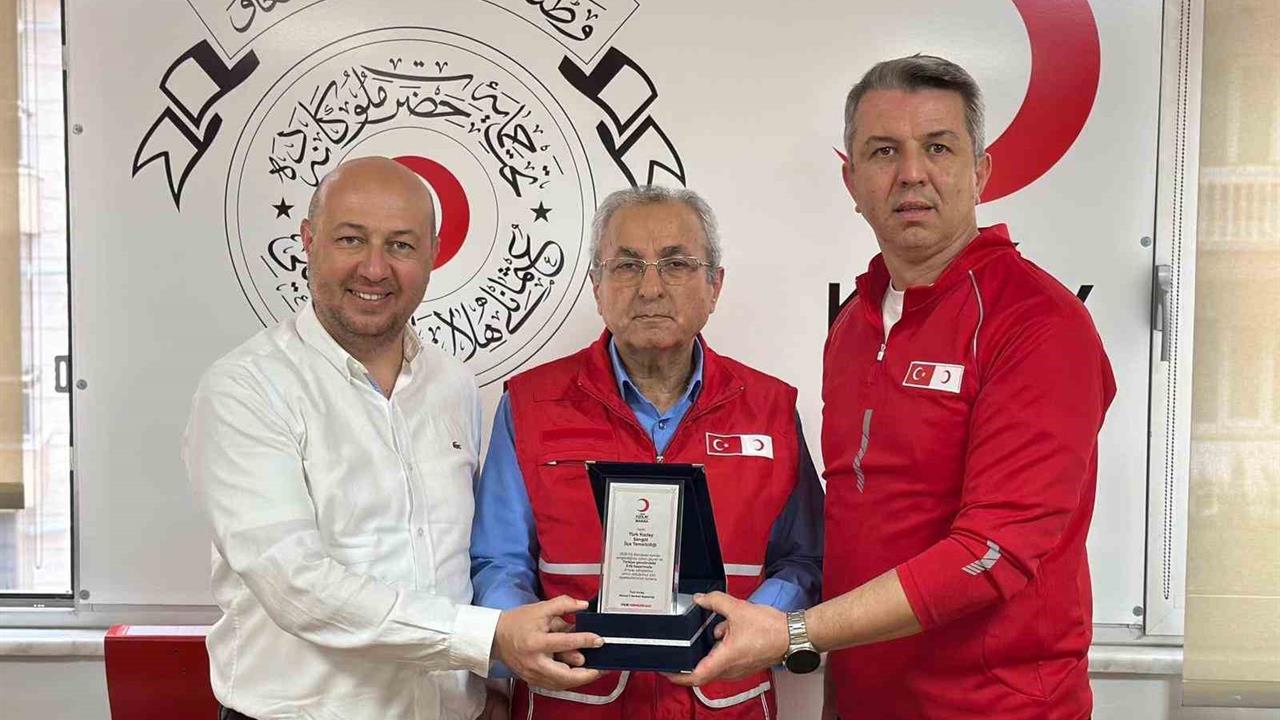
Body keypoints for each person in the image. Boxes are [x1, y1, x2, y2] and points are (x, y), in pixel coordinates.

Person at [671, 55, 1116, 719]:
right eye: (884, 151)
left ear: (980, 171)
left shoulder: (1039, 323)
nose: (911, 172)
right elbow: (856, 526)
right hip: (863, 700)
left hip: (997, 709)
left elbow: (991, 554)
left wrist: (793, 632)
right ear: (851, 180)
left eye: (938, 147)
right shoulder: (854, 322)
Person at [184, 156, 602, 720]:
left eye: (401, 245)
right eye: (351, 239)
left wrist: (491, 686)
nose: (375, 268)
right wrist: (488, 639)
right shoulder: (246, 388)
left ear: (433, 254)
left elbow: (460, 559)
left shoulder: (452, 384)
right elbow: (295, 587)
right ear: (308, 240)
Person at [470, 186, 824, 719]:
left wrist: (759, 621)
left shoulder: (770, 408)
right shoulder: (528, 404)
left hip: (727, 704)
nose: (651, 288)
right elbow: (499, 562)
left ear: (715, 285)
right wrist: (520, 632)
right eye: (627, 265)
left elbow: (804, 560)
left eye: (676, 264)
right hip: (573, 702)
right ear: (597, 286)